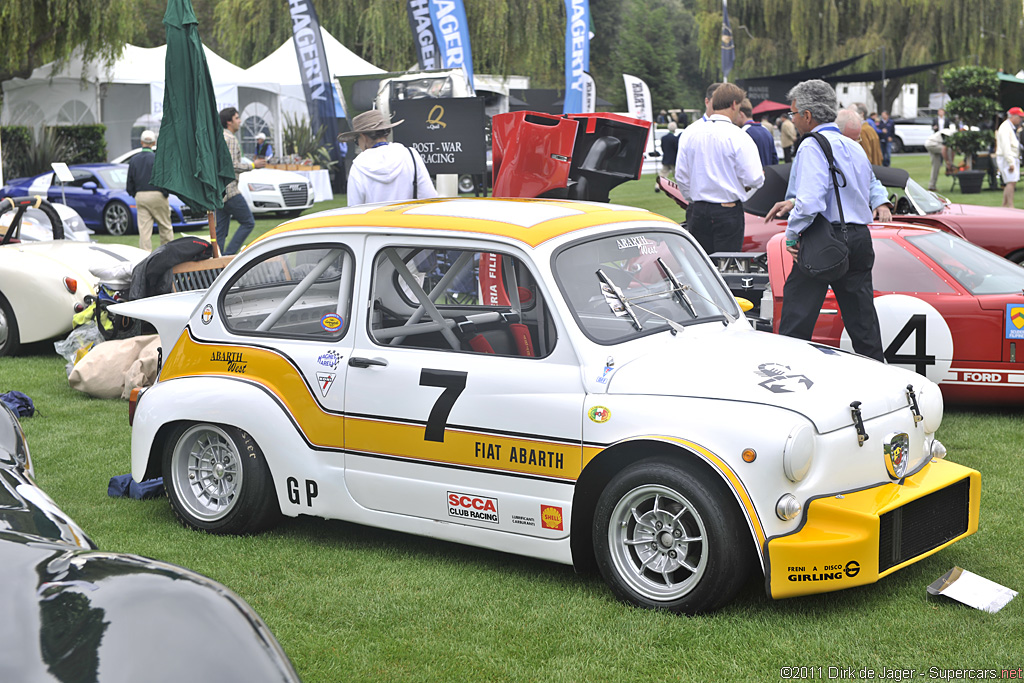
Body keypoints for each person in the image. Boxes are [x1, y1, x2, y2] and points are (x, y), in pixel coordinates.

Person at [764, 80, 892, 362]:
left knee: (796, 320)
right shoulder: (853, 146)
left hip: (825, 238)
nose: (792, 119)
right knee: (863, 324)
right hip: (859, 237)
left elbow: (811, 201)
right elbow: (860, 186)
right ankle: (880, 380)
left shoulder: (811, 146)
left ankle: (788, 378)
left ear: (807, 115)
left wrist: (792, 235)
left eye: (793, 113)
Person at [674, 83, 764, 255]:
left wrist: (692, 198)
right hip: (727, 209)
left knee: (702, 265)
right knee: (727, 266)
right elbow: (754, 178)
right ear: (733, 105)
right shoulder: (739, 136)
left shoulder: (691, 133)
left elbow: (681, 175)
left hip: (698, 208)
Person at [341, 110, 437, 206]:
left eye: (356, 141)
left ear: (363, 137)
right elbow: (429, 197)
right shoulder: (410, 155)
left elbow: (354, 209)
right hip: (409, 220)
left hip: (373, 221)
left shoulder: (358, 166)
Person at [216, 107, 265, 255]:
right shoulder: (229, 138)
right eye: (237, 118)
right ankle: (228, 256)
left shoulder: (220, 136)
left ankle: (216, 262)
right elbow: (230, 166)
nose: (240, 121)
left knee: (220, 232)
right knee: (248, 222)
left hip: (220, 192)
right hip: (230, 190)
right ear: (229, 122)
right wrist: (252, 165)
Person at [126, 130, 173, 252]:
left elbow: (129, 182)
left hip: (141, 196)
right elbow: (165, 179)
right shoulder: (158, 158)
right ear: (154, 142)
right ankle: (167, 253)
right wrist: (165, 193)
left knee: (144, 231)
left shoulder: (134, 160)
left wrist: (134, 193)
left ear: (141, 142)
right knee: (165, 226)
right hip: (158, 195)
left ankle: (144, 256)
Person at [995, 107, 1023, 208]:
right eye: (1019, 117)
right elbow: (1006, 147)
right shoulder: (1005, 127)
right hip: (1007, 158)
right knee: (1011, 182)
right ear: (1014, 116)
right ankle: (1010, 206)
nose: (1020, 119)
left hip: (1010, 157)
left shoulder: (1009, 127)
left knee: (1011, 182)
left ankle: (1005, 205)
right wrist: (1010, 162)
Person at [740, 99, 777, 166]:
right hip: (768, 174)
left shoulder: (743, 132)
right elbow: (774, 159)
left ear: (741, 114)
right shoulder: (765, 130)